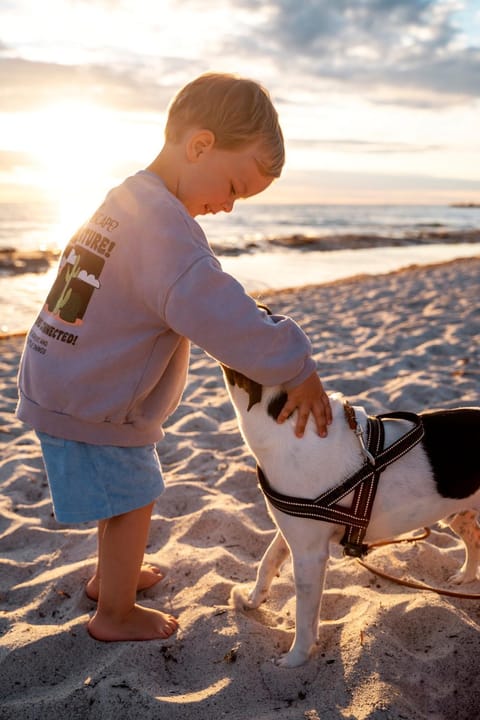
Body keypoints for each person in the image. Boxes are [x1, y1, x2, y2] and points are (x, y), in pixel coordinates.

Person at [16, 72, 332, 643]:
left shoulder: (127, 198)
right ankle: (112, 612)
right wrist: (296, 365)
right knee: (134, 497)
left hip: (59, 373)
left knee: (122, 493)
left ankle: (114, 576)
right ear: (201, 145)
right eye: (234, 185)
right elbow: (224, 316)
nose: (230, 206)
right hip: (93, 395)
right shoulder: (166, 232)